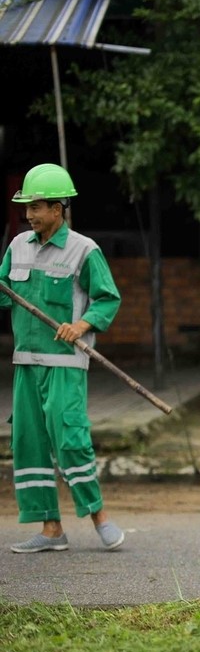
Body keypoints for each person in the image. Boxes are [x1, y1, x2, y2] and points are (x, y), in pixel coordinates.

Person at [2, 164, 124, 553]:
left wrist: (81, 324)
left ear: (59, 208)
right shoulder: (17, 246)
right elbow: (5, 292)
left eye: (37, 207)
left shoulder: (85, 251)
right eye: (27, 207)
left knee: (71, 440)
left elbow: (108, 298)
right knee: (29, 443)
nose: (29, 215)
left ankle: (98, 515)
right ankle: (51, 529)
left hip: (65, 364)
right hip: (26, 362)